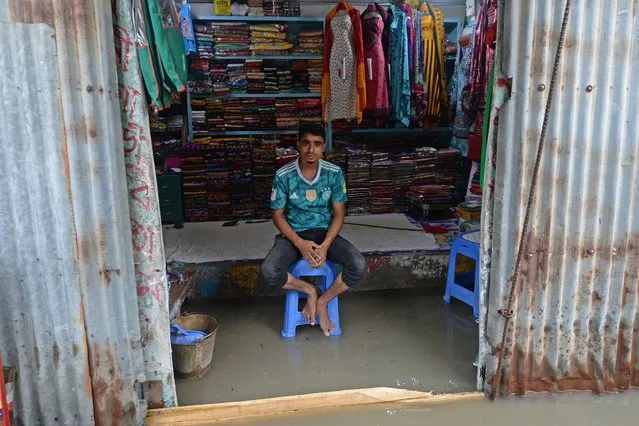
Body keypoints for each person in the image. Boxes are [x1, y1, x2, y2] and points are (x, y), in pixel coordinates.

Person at [260, 123, 367, 336]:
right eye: (306, 143)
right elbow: (277, 215)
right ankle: (310, 290)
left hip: (325, 233)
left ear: (324, 147)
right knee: (268, 271)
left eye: (317, 144)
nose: (311, 150)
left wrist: (325, 245)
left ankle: (323, 301)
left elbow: (339, 214)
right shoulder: (284, 175)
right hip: (293, 235)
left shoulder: (334, 173)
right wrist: (299, 243)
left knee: (358, 265)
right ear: (297, 145)